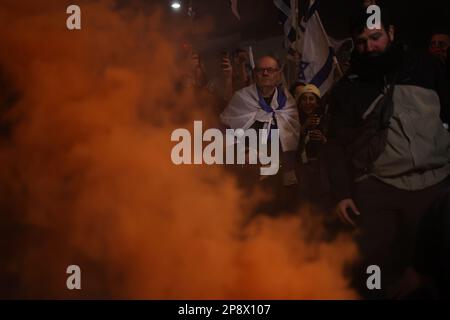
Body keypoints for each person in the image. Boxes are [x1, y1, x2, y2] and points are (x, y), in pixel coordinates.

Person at [326, 8, 450, 299]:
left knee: (436, 261)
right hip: (379, 185)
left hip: (436, 183)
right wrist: (342, 192)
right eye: (362, 41)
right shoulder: (348, 89)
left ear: (391, 33)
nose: (370, 46)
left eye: (376, 37)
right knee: (373, 264)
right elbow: (335, 147)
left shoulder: (427, 68)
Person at [220, 55, 300, 214]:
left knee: (284, 219)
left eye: (270, 70)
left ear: (278, 74)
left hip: (282, 176)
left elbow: (294, 136)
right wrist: (244, 151)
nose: (265, 74)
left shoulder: (288, 101)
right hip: (251, 175)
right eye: (260, 70)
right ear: (254, 74)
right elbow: (225, 131)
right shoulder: (241, 98)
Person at [295, 84, 330, 203]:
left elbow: (335, 145)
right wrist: (304, 127)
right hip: (301, 168)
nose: (307, 102)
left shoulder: (326, 120)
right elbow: (292, 146)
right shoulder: (293, 120)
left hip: (322, 168)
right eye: (304, 99)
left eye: (311, 99)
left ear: (317, 102)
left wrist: (323, 139)